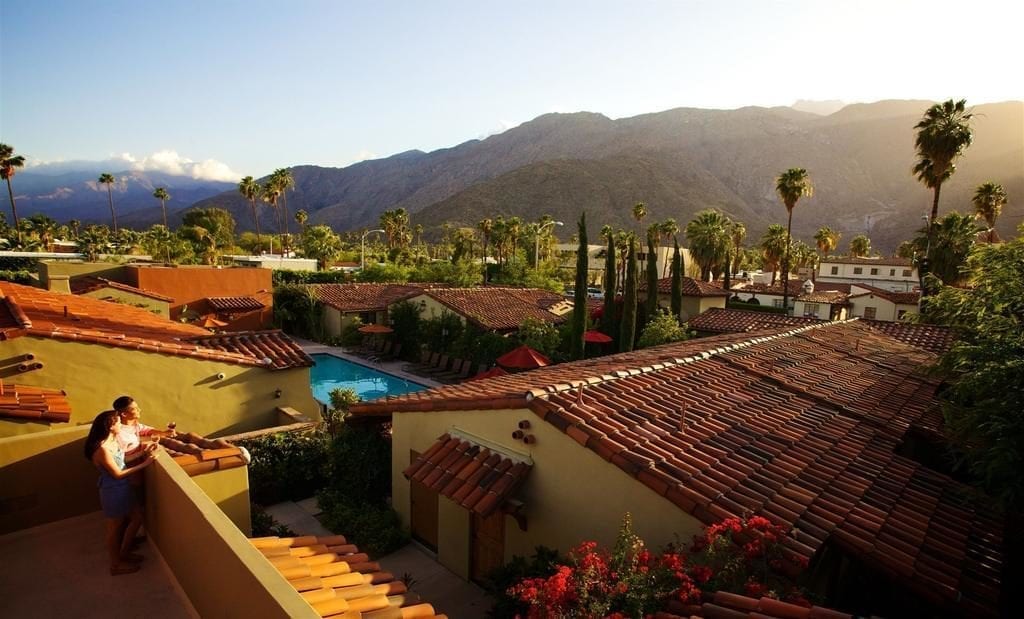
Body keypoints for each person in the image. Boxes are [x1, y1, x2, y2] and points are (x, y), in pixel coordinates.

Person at [84, 410, 157, 575]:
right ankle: (115, 565)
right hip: (113, 490)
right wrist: (145, 463)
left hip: (123, 487)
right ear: (111, 426)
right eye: (117, 422)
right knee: (114, 528)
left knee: (137, 518)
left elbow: (122, 460)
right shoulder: (102, 449)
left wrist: (143, 452)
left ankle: (124, 553)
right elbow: (117, 473)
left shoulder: (113, 441)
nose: (120, 425)